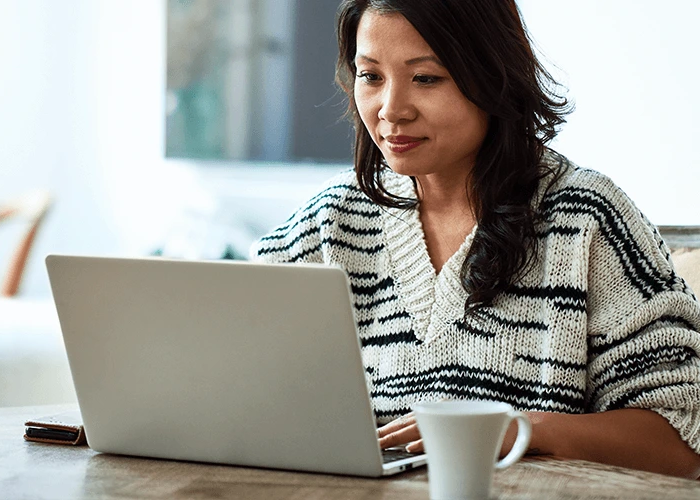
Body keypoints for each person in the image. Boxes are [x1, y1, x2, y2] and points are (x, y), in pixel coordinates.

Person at [250, 0, 700, 479]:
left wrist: (521, 430)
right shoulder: (330, 219)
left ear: (492, 75)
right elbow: (232, 377)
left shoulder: (587, 217)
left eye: (426, 78)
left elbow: (682, 439)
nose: (391, 110)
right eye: (371, 76)